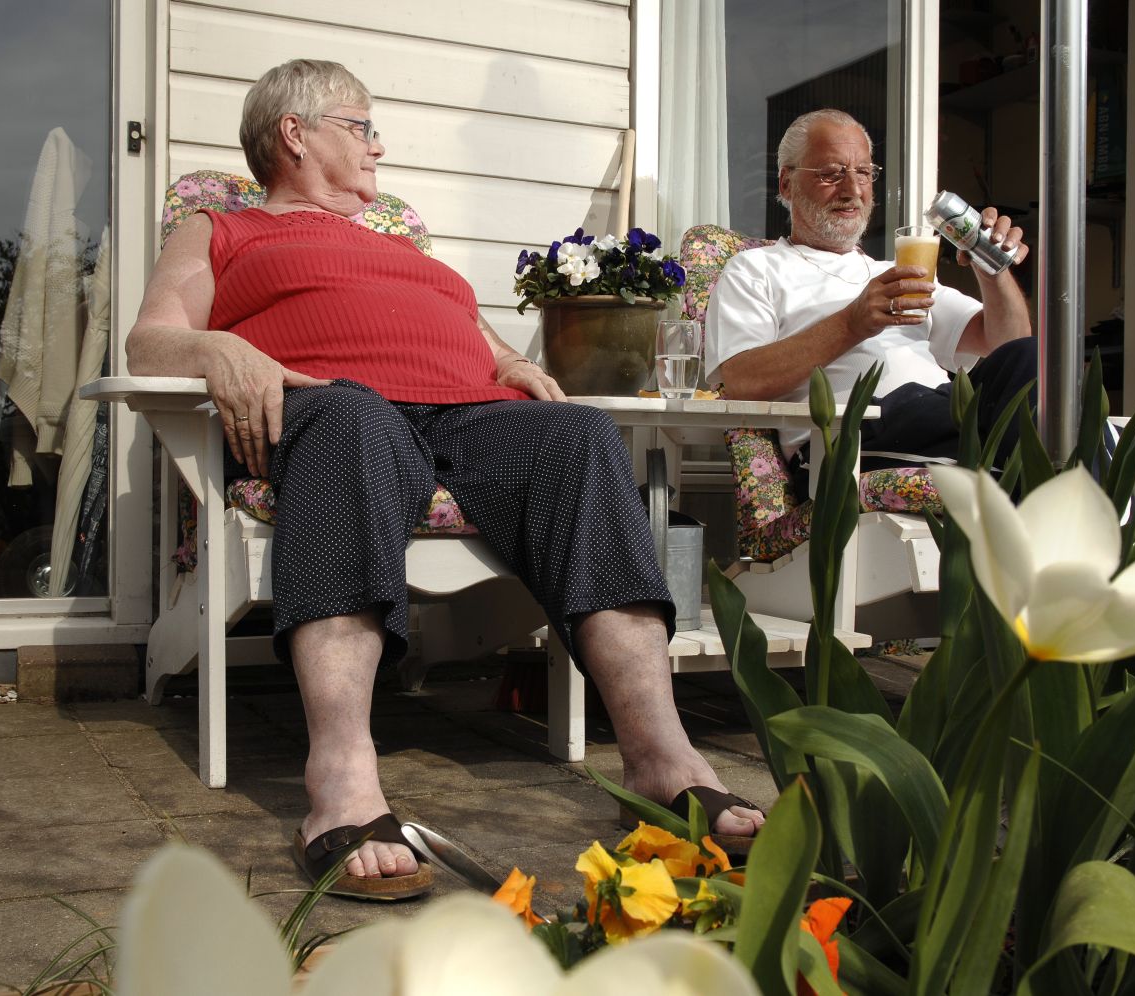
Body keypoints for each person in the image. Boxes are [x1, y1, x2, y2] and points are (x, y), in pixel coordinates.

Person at [125, 59, 763, 899]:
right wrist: (217, 347)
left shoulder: (400, 246)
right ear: (295, 133)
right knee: (352, 419)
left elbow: (475, 335)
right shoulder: (220, 228)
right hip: (333, 410)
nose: (379, 146)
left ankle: (657, 757)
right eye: (362, 126)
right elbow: (148, 342)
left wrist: (509, 363)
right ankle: (342, 784)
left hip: (469, 415)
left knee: (578, 433)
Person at [704, 109, 1036, 481]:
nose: (852, 190)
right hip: (848, 439)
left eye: (863, 173)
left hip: (942, 417)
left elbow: (1008, 343)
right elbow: (740, 383)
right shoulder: (755, 269)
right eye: (831, 173)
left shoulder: (895, 270)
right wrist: (853, 322)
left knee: (1031, 356)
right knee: (1037, 456)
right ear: (786, 184)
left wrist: (991, 267)